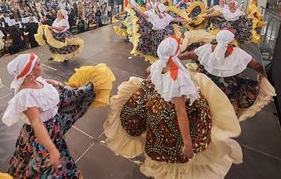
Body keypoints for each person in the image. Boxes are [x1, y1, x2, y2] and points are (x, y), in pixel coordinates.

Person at [104, 36, 242, 179]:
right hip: (170, 116)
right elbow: (180, 112)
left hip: (156, 111)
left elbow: (148, 71)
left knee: (158, 139)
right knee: (182, 134)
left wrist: (157, 90)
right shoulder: (178, 78)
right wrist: (188, 144)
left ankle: (158, 167)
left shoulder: (158, 65)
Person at [1, 53, 115, 178]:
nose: (41, 65)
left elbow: (43, 81)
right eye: (38, 64)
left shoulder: (34, 79)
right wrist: (51, 149)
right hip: (42, 132)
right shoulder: (26, 96)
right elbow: (36, 122)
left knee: (78, 96)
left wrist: (55, 82)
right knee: (44, 164)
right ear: (29, 72)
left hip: (53, 125)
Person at [179, 30, 276, 120]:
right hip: (227, 90)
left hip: (206, 86)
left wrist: (174, 57)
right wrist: (263, 74)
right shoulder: (239, 53)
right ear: (231, 41)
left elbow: (189, 55)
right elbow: (256, 65)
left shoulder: (205, 49)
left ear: (216, 39)